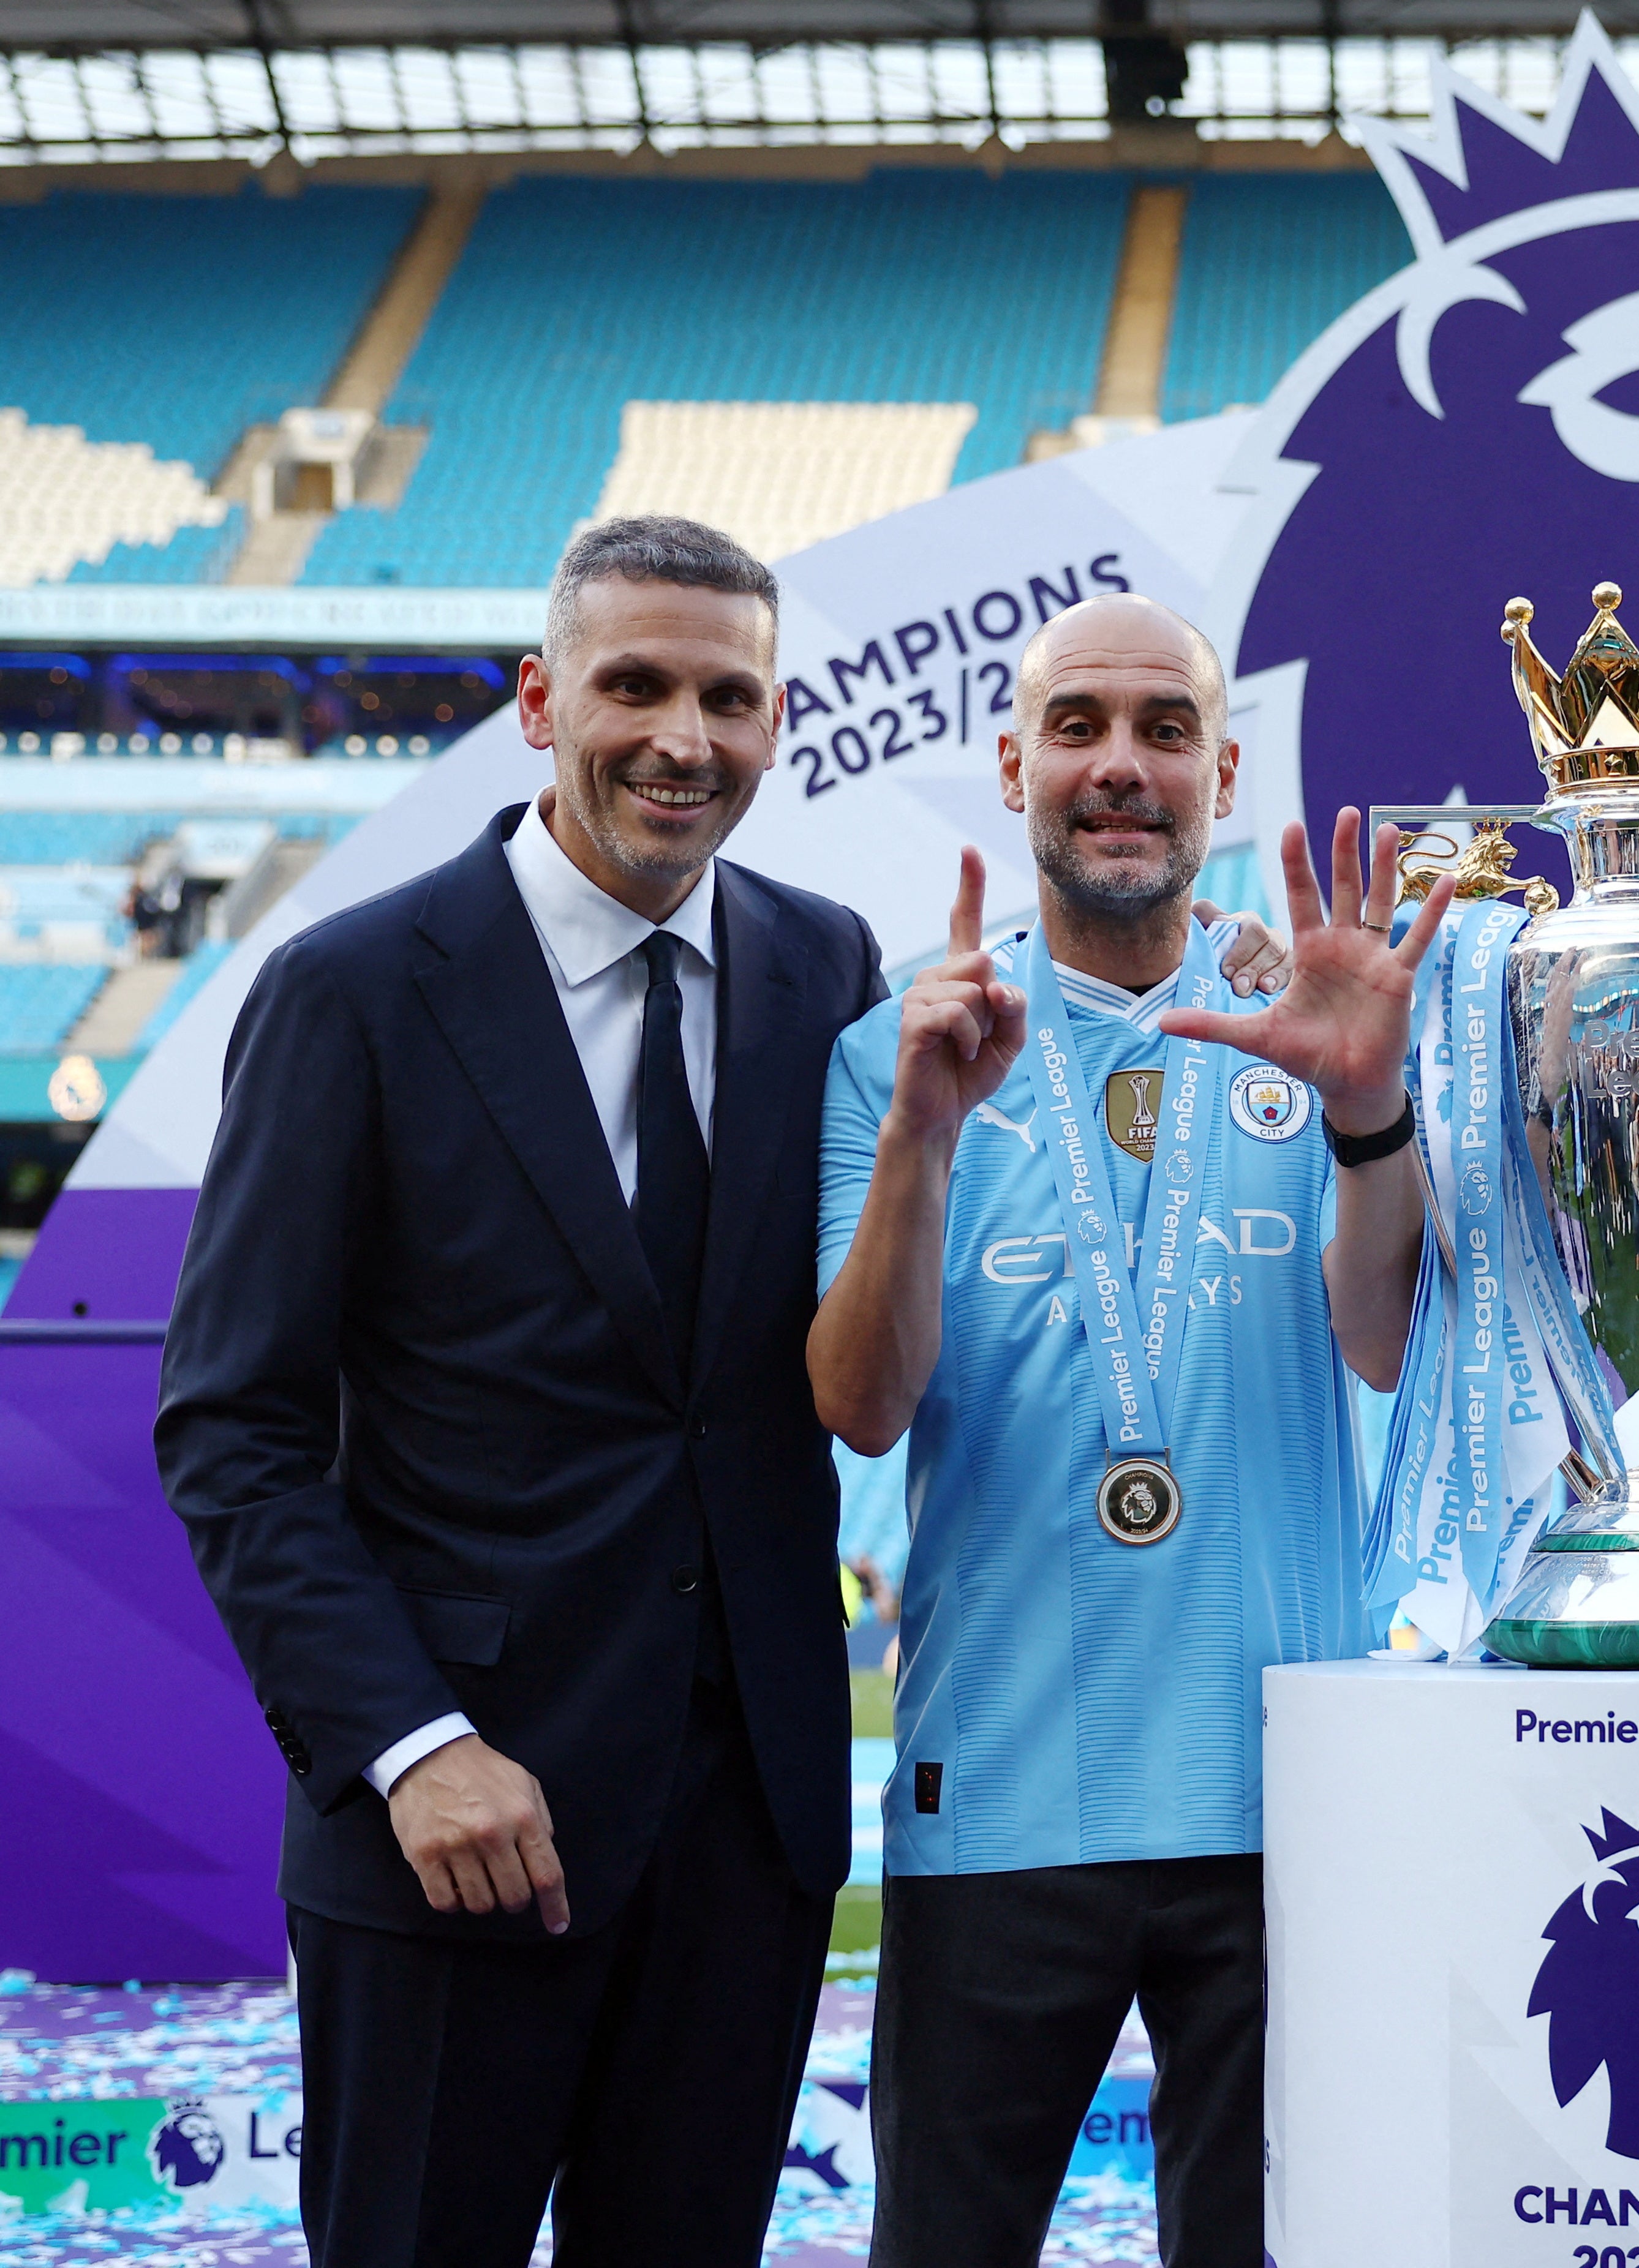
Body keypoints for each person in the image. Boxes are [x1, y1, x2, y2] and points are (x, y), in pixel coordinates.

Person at [154, 517, 884, 2265]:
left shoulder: (829, 971)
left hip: (748, 1833)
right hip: (455, 1827)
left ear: (778, 721)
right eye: (634, 685)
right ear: (538, 701)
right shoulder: (347, 991)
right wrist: (411, 1748)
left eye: (729, 696)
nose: (682, 739)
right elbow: (232, 1427)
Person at [807, 591, 1444, 2268]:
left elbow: (1382, 1350)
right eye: (1079, 728)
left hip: (1281, 1798)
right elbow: (859, 1408)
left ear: (1220, 773)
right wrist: (926, 1146)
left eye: (1164, 731)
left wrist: (1370, 1116)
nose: (1120, 767)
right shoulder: (902, 1050)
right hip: (1002, 1787)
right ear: (1014, 763)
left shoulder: (1306, 1025)